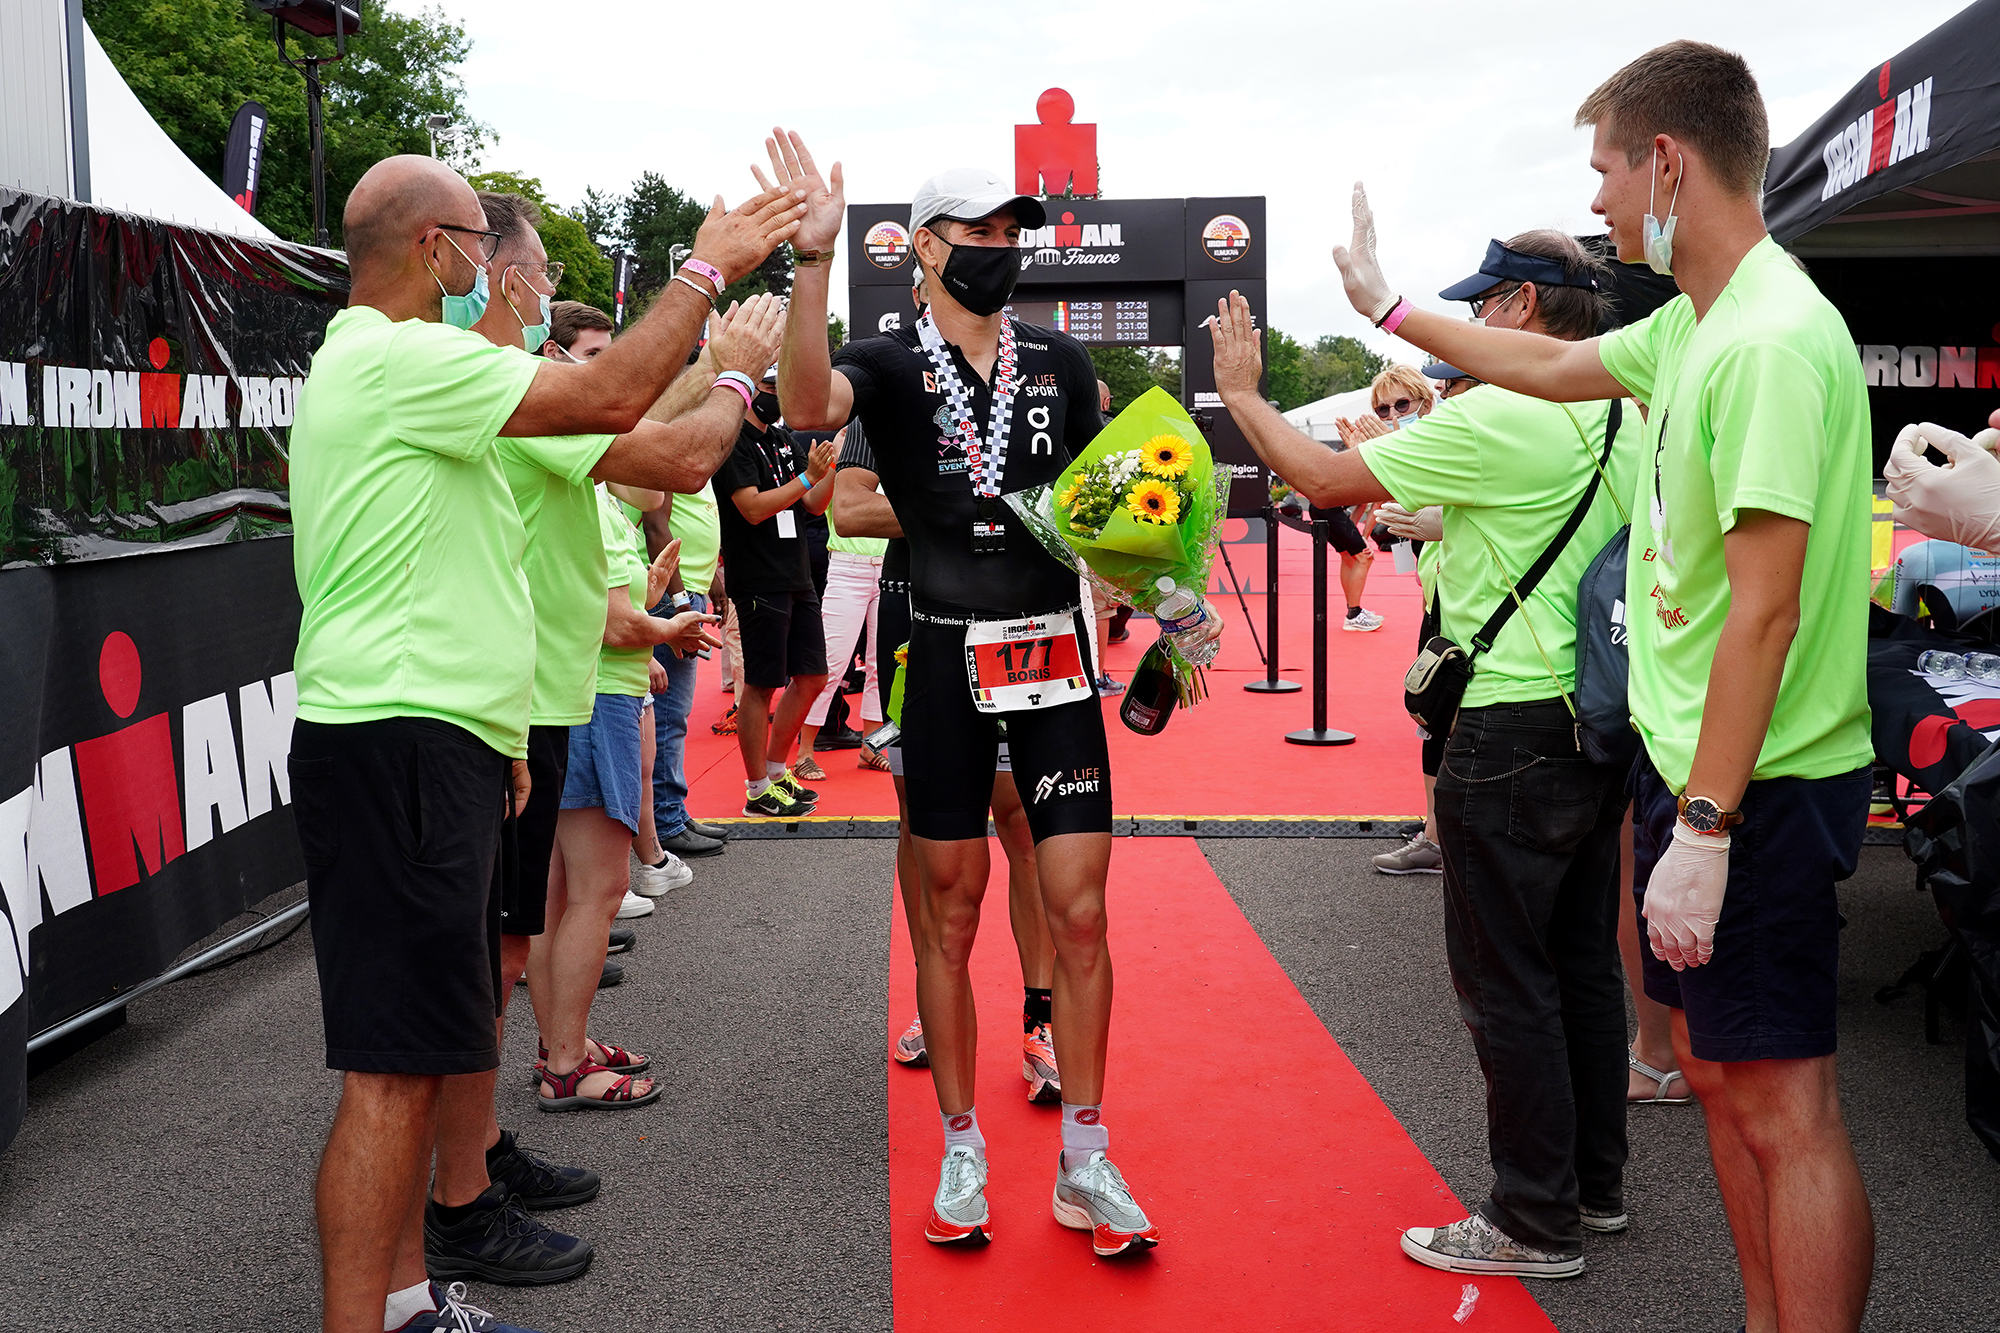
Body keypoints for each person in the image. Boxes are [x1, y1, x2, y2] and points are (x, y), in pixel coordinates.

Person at [1329, 41, 1877, 1330]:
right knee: (1723, 1078)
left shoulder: (1764, 340)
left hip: (1755, 784)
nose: (1596, 204)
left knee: (1780, 1102)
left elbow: (1764, 609)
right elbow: (1551, 367)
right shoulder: (1695, 319)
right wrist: (1390, 309)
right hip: (1691, 768)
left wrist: (1704, 827)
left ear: (1667, 165)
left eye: (1606, 173)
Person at [287, 153, 800, 1333]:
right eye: (484, 243)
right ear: (434, 250)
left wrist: (500, 730)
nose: (502, 273)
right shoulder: (409, 356)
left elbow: (469, 557)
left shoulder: (380, 363)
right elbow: (623, 399)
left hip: (433, 730)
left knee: (412, 1057)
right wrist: (709, 283)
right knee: (388, 1076)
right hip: (400, 736)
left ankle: (411, 1300)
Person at [1215, 227, 1635, 1280]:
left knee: (1506, 980)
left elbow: (1316, 476)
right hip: (1598, 714)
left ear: (1524, 310)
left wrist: (1242, 393)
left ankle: (1530, 1217)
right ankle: (1591, 1189)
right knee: (1581, 964)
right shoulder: (1624, 411)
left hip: (1504, 725)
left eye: (1483, 308)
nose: (1470, 329)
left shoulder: (1497, 412)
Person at [774, 130, 1158, 1256]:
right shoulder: (884, 363)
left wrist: (1165, 588)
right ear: (928, 248)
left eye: (1013, 233)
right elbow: (804, 406)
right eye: (982, 233)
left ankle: (1085, 1157)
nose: (1002, 249)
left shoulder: (1060, 364)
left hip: (1052, 658)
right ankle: (959, 1142)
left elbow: (1107, 513)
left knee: (1079, 905)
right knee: (946, 905)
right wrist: (807, 262)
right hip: (939, 655)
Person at [831, 403, 1061, 1101]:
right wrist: (971, 512)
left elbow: (1071, 504)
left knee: (1023, 825)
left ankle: (1039, 1020)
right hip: (919, 622)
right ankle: (937, 1000)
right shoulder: (891, 386)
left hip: (1022, 621)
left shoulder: (1034, 382)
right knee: (923, 829)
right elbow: (850, 509)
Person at [527, 482, 716, 1112]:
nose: (669, 480)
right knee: (597, 891)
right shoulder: (598, 509)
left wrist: (653, 601)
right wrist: (668, 627)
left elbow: (598, 610)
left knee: (558, 895)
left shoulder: (598, 506)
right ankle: (566, 1062)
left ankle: (562, 1043)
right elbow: (614, 626)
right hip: (593, 700)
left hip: (568, 697)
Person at [715, 364, 839, 816]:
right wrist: (808, 477)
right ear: (748, 390)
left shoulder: (783, 439)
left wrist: (826, 470)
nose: (776, 395)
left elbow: (813, 504)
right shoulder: (732, 442)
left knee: (812, 677)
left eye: (779, 387)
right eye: (769, 387)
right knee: (763, 684)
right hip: (758, 577)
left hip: (797, 574)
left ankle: (775, 769)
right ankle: (756, 787)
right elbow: (750, 508)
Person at [798, 419, 888, 768]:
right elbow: (816, 506)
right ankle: (805, 750)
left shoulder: (898, 446)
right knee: (830, 664)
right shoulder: (847, 443)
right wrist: (835, 458)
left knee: (883, 663)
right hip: (847, 567)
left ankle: (872, 746)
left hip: (890, 568)